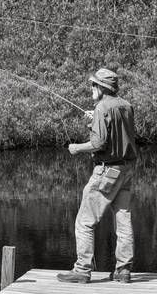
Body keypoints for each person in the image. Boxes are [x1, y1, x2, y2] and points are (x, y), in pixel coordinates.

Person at [57, 68, 138, 284]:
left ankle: (82, 270)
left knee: (84, 222)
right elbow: (120, 129)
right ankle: (123, 271)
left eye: (93, 85)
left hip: (107, 172)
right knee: (123, 220)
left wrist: (76, 148)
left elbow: (98, 143)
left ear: (101, 88)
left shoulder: (103, 106)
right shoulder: (126, 106)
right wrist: (96, 118)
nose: (91, 88)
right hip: (126, 170)